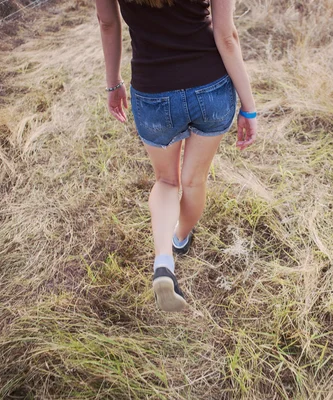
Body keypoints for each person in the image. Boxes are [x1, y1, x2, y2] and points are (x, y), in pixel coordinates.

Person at [94, 0, 258, 312]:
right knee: (193, 181)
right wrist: (248, 107)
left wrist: (113, 82)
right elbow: (226, 36)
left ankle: (164, 261)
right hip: (211, 89)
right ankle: (181, 236)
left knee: (167, 181)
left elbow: (107, 23)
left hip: (153, 93)